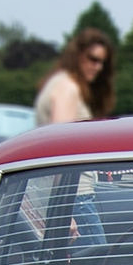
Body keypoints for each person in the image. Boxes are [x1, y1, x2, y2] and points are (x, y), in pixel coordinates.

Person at [34, 28, 115, 248]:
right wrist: (65, 209)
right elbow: (61, 150)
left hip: (67, 194)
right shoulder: (67, 89)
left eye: (102, 63)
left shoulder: (60, 84)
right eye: (92, 59)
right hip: (74, 195)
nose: (97, 67)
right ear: (77, 55)